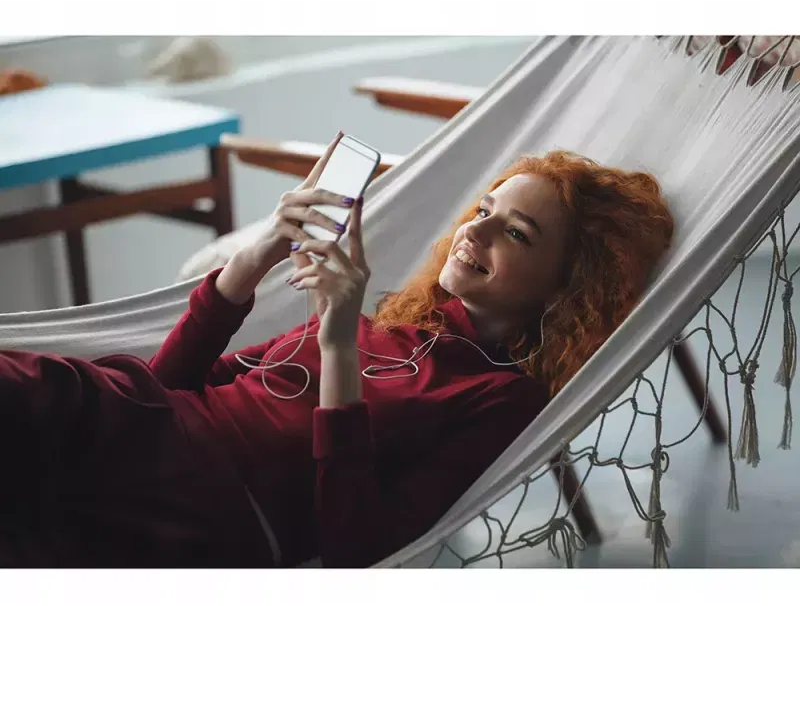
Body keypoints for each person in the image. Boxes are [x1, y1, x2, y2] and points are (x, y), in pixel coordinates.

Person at [0, 135, 674, 569]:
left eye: (516, 232)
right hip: (127, 419)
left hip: (204, 508)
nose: (477, 230)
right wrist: (258, 255)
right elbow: (169, 386)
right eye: (483, 210)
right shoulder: (394, 324)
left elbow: (358, 550)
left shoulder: (499, 399)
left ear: (566, 285)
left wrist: (337, 348)